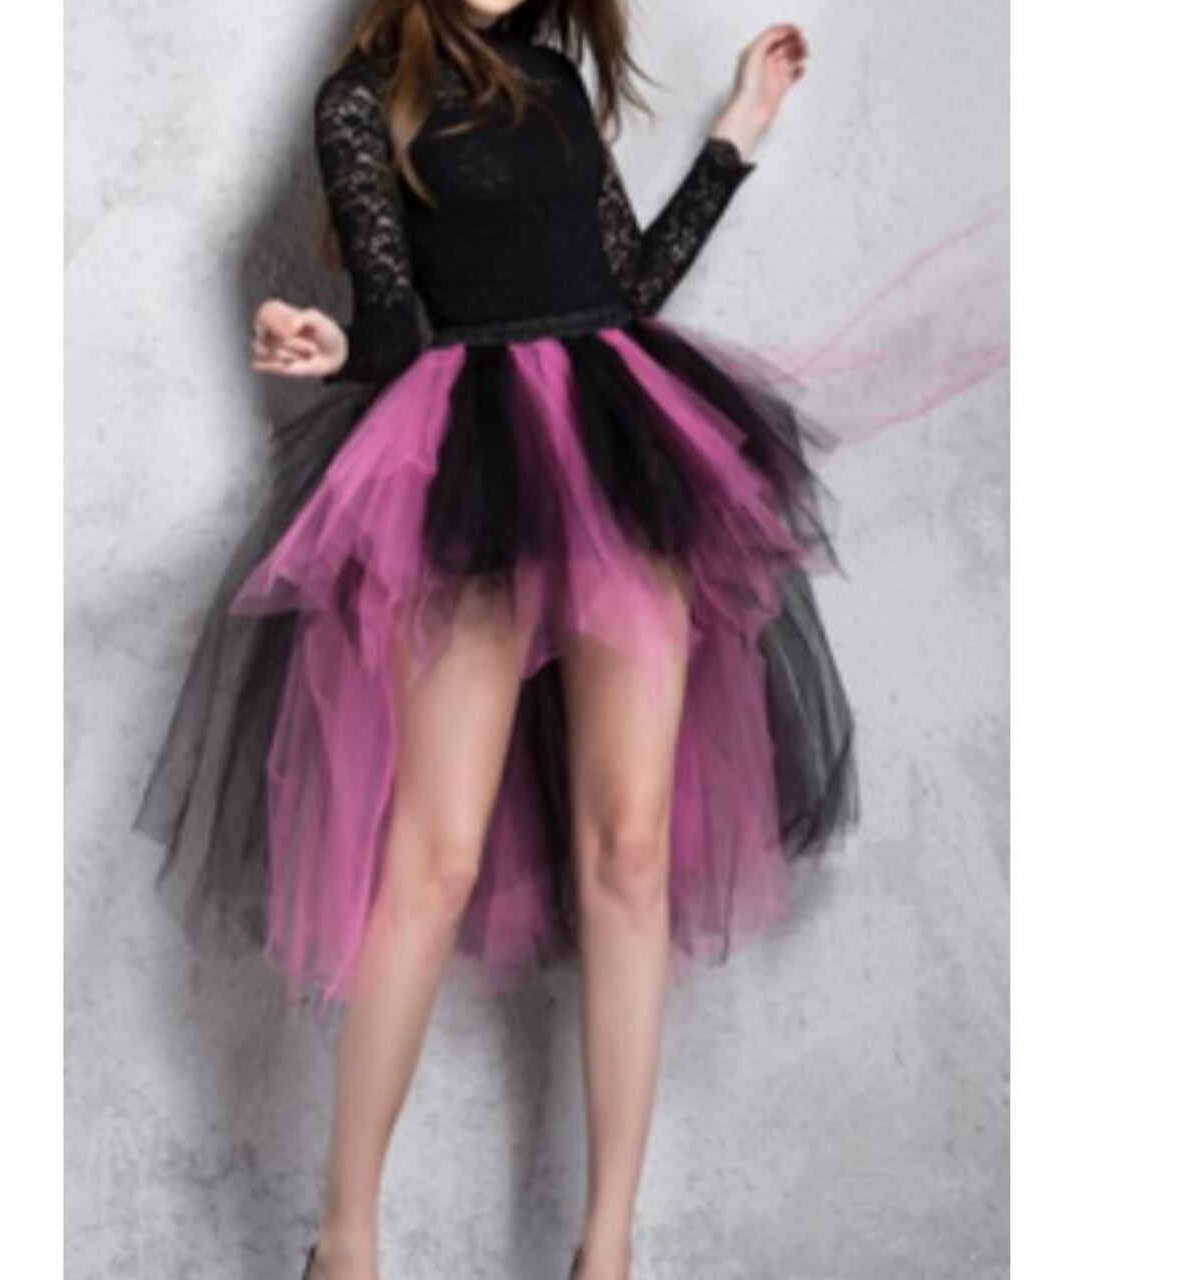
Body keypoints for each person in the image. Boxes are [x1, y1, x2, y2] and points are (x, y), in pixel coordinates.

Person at [134, 2, 856, 1277]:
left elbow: (626, 285)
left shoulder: (552, 79)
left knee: (629, 847)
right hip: (464, 465)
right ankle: (344, 1245)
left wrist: (737, 131)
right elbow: (394, 324)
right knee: (434, 854)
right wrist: (332, 343)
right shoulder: (364, 99)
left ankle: (606, 1250)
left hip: (621, 448)